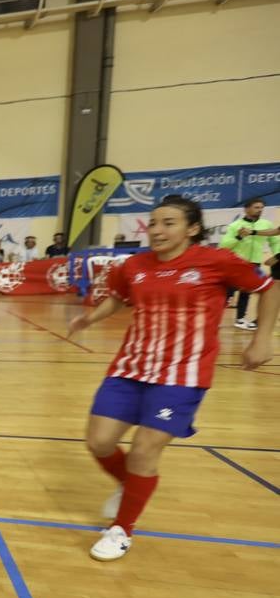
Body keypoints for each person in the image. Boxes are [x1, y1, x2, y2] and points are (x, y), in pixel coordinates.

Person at [68, 195, 275, 562]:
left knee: (145, 450)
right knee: (99, 442)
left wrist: (261, 339)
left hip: (183, 375)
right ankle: (129, 484)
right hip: (130, 368)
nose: (158, 230)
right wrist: (89, 319)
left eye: (169, 223)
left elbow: (268, 288)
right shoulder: (133, 265)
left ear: (192, 229)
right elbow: (118, 298)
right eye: (153, 223)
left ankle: (122, 529)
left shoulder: (216, 261)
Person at [220, 197, 278, 330]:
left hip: (255, 264)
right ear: (246, 209)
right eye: (256, 207)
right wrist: (239, 237)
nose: (260, 210)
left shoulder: (266, 224)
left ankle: (240, 319)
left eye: (261, 208)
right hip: (236, 264)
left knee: (247, 291)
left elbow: (275, 241)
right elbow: (224, 245)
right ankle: (216, 319)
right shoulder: (235, 226)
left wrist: (276, 256)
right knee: (228, 292)